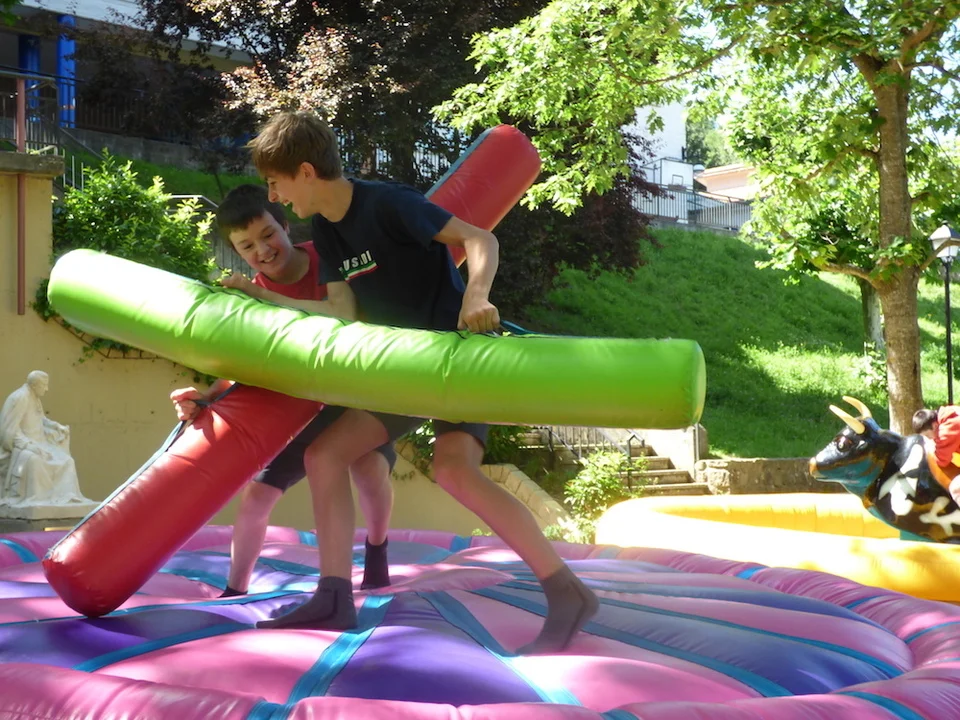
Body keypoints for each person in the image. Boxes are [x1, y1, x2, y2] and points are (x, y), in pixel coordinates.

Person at [243, 111, 599, 653]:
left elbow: (480, 239)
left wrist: (475, 297)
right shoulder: (327, 232)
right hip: (405, 367)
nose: (274, 196)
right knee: (324, 456)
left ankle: (566, 591)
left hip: (455, 358)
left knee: (455, 471)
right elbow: (343, 312)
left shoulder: (388, 204)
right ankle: (334, 596)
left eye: (277, 182)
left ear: (306, 172)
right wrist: (264, 297)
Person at [170, 184, 396, 597]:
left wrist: (263, 295)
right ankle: (235, 590)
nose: (263, 250)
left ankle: (377, 547)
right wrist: (207, 397)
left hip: (354, 394)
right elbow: (244, 363)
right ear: (238, 252)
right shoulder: (249, 299)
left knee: (369, 469)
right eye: (247, 246)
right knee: (257, 495)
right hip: (300, 407)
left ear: (285, 226)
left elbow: (343, 315)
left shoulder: (325, 257)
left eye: (268, 234)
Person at [0, 371, 91, 507]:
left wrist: (56, 426)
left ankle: (66, 497)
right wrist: (28, 445)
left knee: (68, 461)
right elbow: (10, 429)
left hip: (40, 443)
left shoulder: (35, 397)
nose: (47, 389)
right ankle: (36, 499)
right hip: (22, 447)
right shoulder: (20, 398)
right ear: (34, 385)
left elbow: (41, 420)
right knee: (35, 461)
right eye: (44, 385)